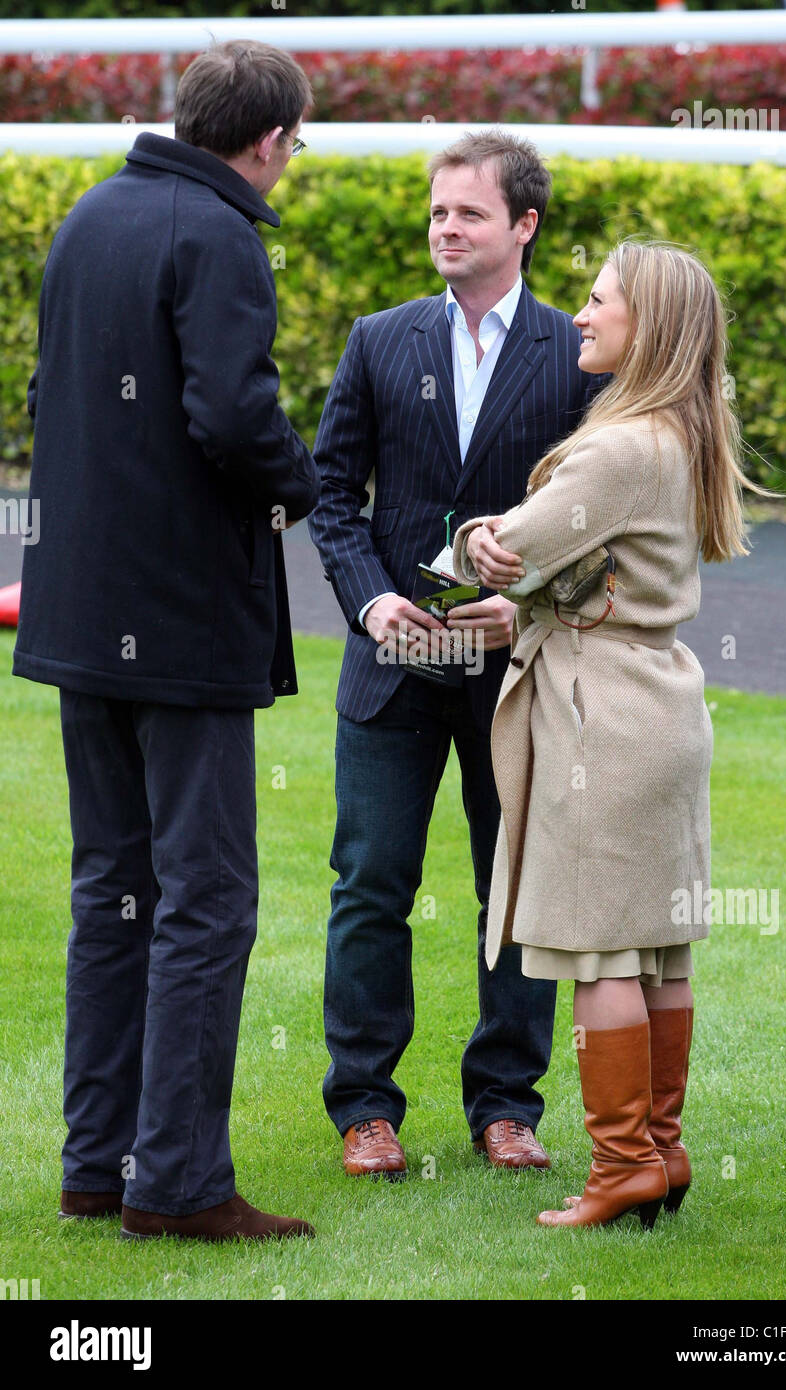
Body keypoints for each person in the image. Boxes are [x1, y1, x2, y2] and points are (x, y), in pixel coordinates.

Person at [13, 41, 320, 1241]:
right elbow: (235, 416)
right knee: (205, 900)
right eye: (298, 140)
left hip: (82, 613)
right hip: (183, 620)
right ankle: (179, 1184)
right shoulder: (222, 232)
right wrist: (306, 487)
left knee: (114, 893)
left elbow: (51, 401)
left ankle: (98, 1168)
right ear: (270, 137)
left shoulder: (90, 214)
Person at [454, 239, 769, 1228]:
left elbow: (507, 552)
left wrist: (467, 541)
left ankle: (620, 1166)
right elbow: (594, 568)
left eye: (598, 301)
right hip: (662, 703)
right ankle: (661, 1156)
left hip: (602, 717)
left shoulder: (619, 444)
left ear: (651, 324)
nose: (580, 315)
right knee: (659, 951)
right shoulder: (690, 428)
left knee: (598, 954)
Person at [309, 131, 603, 1177]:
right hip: (391, 669)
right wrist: (372, 599)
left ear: (523, 226)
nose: (446, 228)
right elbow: (330, 495)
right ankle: (364, 1109)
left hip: (517, 676)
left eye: (469, 214)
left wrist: (525, 611)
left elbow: (599, 531)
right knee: (371, 883)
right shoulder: (379, 340)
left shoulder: (576, 355)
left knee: (514, 889)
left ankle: (506, 1106)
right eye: (438, 212)